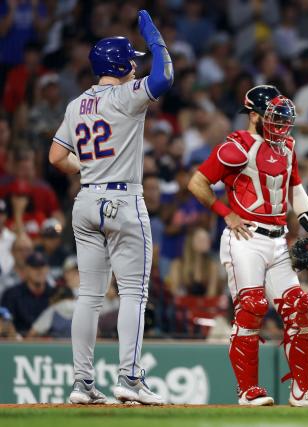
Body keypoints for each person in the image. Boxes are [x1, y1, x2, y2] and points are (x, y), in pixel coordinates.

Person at [48, 10, 173, 405]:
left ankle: (81, 383)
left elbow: (55, 156)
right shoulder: (125, 96)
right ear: (119, 65)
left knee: (89, 296)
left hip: (86, 199)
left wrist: (86, 168)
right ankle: (130, 378)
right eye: (132, 60)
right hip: (122, 198)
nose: (136, 65)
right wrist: (156, 40)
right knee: (134, 293)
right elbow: (164, 76)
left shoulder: (76, 105)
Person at [187, 84, 308, 407]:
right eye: (273, 117)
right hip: (246, 238)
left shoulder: (287, 146)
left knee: (300, 306)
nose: (280, 124)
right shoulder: (236, 146)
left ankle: (303, 390)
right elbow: (197, 182)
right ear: (253, 115)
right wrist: (224, 213)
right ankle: (248, 390)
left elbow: (295, 190)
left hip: (279, 237)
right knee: (251, 307)